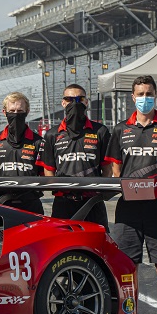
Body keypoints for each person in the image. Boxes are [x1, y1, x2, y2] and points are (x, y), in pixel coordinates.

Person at [103, 75, 157, 314]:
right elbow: (114, 170)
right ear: (132, 97)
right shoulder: (120, 130)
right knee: (127, 269)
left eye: (150, 93)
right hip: (128, 210)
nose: (145, 98)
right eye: (140, 93)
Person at [37, 84, 111, 227]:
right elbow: (49, 170)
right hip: (63, 202)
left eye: (79, 99)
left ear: (86, 102)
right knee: (61, 244)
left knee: (98, 244)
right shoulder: (52, 134)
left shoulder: (100, 131)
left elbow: (107, 169)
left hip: (92, 201)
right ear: (63, 103)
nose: (75, 103)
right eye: (70, 99)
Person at [0, 91, 43, 213]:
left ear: (27, 111)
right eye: (12, 111)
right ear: (4, 112)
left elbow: (45, 175)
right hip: (2, 204)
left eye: (20, 111)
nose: (16, 114)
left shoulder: (38, 142)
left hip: (31, 205)